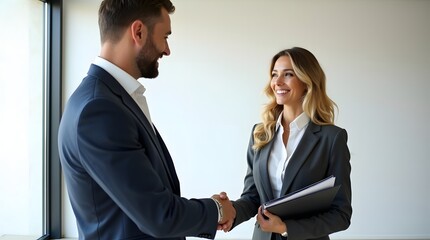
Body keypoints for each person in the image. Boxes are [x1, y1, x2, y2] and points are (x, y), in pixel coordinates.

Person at [58, 1, 235, 239]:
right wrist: (217, 209)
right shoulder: (99, 110)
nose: (167, 49)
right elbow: (159, 216)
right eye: (165, 36)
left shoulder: (108, 99)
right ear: (138, 32)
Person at [219, 47, 352, 240]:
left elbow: (341, 215)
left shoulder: (331, 139)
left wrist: (285, 227)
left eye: (288, 74)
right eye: (274, 75)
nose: (277, 82)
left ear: (307, 82)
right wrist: (231, 213)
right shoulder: (260, 133)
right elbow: (252, 197)